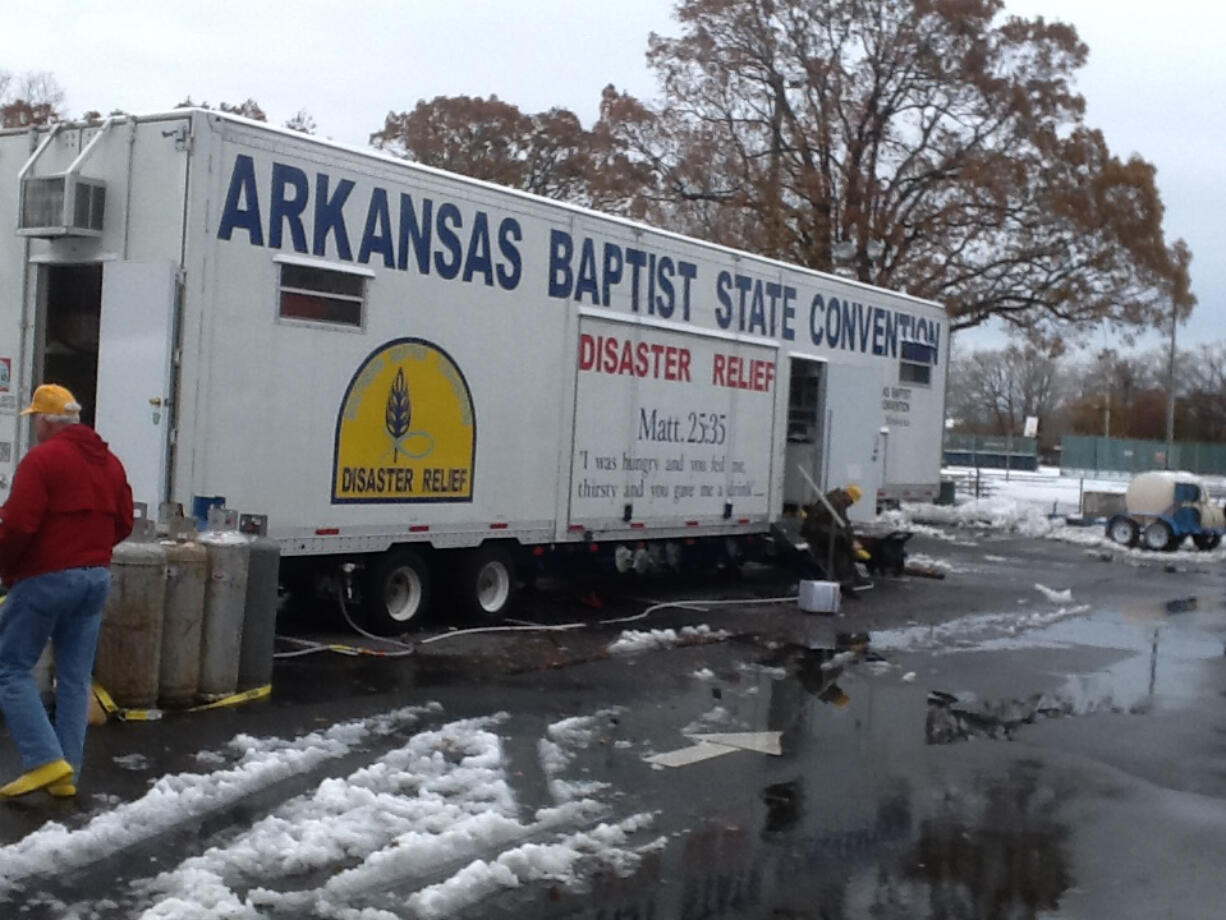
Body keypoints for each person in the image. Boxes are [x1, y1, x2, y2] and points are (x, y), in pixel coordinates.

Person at [0, 384, 133, 798]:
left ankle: (43, 759)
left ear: (45, 420)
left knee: (9, 667)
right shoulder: (109, 463)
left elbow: (18, 524)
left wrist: (6, 569)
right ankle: (67, 774)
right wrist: (92, 553)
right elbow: (125, 520)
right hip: (95, 578)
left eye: (35, 419)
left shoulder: (42, 460)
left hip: (46, 577)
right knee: (75, 677)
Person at [800, 483, 871, 595]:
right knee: (843, 549)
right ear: (848, 496)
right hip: (816, 533)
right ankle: (843, 582)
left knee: (844, 543)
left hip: (820, 531)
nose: (851, 504)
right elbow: (827, 525)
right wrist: (850, 541)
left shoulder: (837, 501)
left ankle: (845, 580)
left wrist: (851, 538)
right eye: (851, 501)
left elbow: (843, 524)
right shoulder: (835, 503)